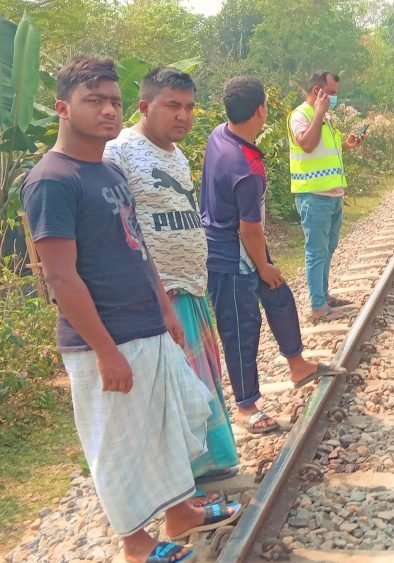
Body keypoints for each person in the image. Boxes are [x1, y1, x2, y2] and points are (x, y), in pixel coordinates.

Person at [22, 56, 239, 563]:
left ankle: (180, 510)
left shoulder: (109, 170)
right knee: (119, 447)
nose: (107, 111)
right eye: (93, 100)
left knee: (176, 421)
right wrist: (104, 351)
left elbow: (136, 244)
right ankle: (136, 546)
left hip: (147, 325)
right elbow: (60, 276)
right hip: (107, 337)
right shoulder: (53, 180)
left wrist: (164, 308)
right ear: (62, 107)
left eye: (114, 101)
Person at [103, 67, 240, 487]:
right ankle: (179, 482)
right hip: (159, 293)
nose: (183, 115)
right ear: (145, 107)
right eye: (172, 106)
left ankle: (207, 465)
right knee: (176, 388)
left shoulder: (176, 154)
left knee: (200, 381)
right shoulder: (119, 153)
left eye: (189, 107)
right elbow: (119, 229)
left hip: (192, 287)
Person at [201, 77, 340, 435]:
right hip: (231, 255)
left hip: (244, 246)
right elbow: (249, 228)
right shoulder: (248, 168)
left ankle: (298, 364)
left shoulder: (220, 135)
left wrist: (265, 265)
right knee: (241, 329)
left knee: (279, 296)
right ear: (260, 110)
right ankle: (247, 406)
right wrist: (262, 265)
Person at [288, 70, 364, 322]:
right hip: (314, 195)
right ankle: (318, 306)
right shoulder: (300, 115)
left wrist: (347, 143)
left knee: (328, 248)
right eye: (330, 93)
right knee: (316, 251)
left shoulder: (326, 117)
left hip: (332, 195)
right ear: (316, 91)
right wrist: (320, 113)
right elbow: (306, 144)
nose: (334, 99)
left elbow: (326, 145)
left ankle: (323, 295)